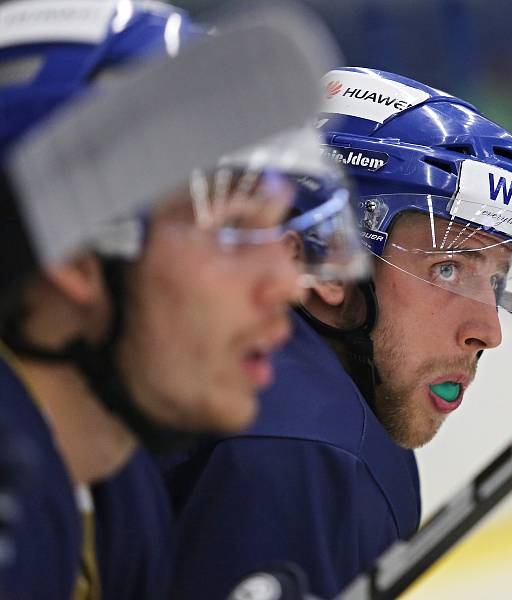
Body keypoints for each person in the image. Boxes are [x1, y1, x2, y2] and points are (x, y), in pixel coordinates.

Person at [0, 2, 359, 598]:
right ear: (76, 257)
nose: (287, 284)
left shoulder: (114, 489)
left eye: (281, 229)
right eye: (234, 227)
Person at [163, 67, 512, 599]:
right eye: (448, 268)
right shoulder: (304, 449)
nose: (487, 331)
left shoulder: (264, 384)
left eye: (495, 279)